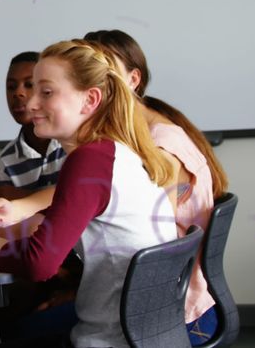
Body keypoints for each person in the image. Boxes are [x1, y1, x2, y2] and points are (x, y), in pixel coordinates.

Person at [0, 40, 177, 347]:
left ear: (90, 100)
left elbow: (38, 264)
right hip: (143, 330)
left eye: (46, 92)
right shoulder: (111, 151)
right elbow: (58, 228)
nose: (30, 104)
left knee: (11, 328)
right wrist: (3, 226)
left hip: (111, 338)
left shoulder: (89, 161)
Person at [84, 28, 229, 345]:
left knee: (30, 327)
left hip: (172, 310)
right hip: (164, 295)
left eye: (104, 71)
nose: (91, 83)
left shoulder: (161, 144)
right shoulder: (143, 132)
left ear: (133, 79)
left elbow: (147, 235)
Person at [0, 51, 66, 200]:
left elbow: (77, 199)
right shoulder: (6, 161)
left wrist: (24, 197)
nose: (18, 93)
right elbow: (11, 218)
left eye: (29, 85)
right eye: (11, 87)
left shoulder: (71, 143)